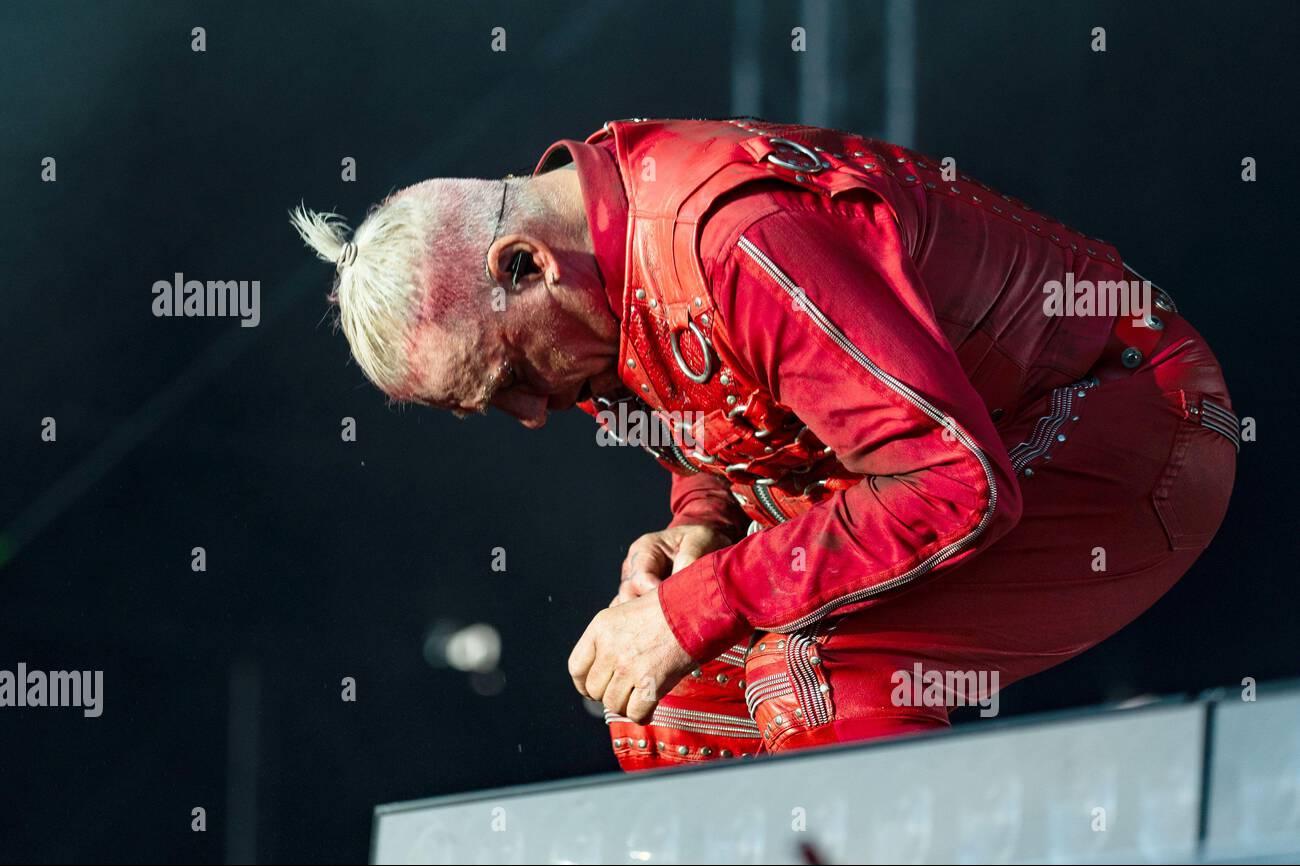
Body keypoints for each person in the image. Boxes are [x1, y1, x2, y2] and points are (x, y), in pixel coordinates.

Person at [291, 118, 1238, 771]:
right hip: (997, 441)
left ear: (524, 265)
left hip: (1131, 419)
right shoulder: (598, 257)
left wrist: (701, 600)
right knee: (667, 704)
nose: (536, 416)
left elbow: (956, 483)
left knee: (816, 666)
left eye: (513, 385)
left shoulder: (738, 239)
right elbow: (730, 424)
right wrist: (698, 525)